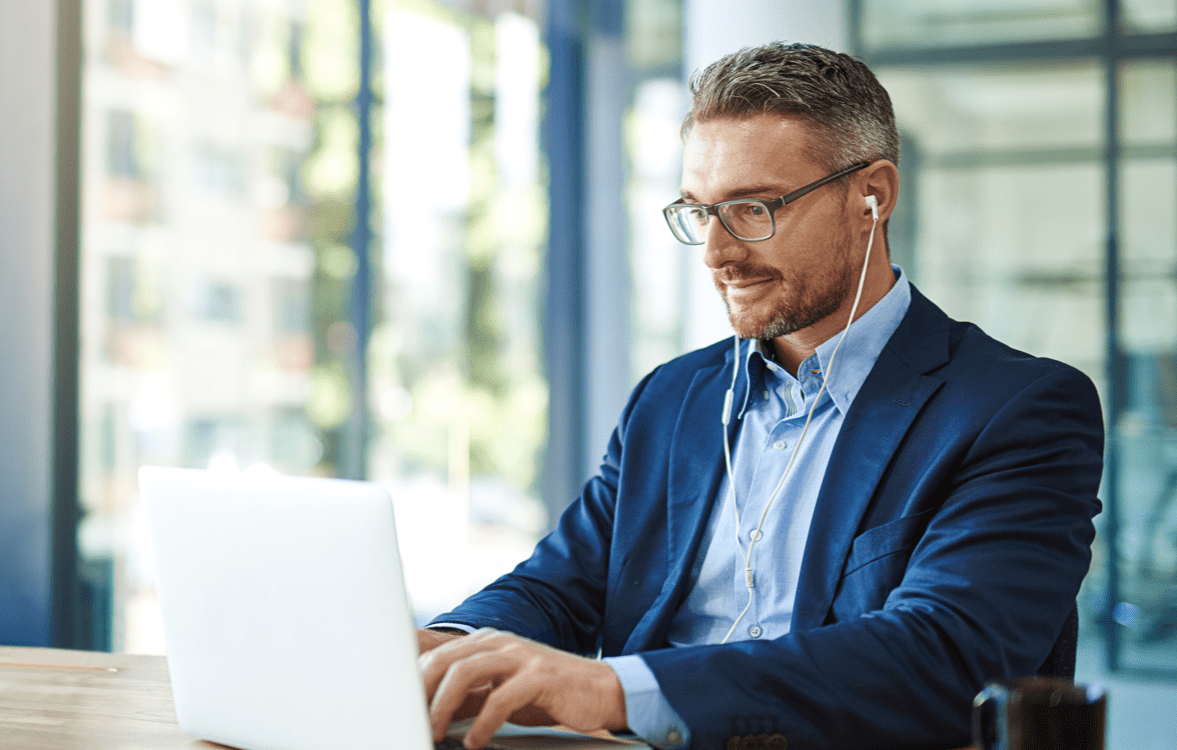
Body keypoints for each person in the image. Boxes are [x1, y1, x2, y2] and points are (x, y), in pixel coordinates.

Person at [415, 42, 1103, 750]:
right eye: (698, 211)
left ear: (874, 195)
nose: (716, 253)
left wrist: (612, 690)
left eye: (751, 208)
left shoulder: (1019, 409)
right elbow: (560, 585)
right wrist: (440, 649)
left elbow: (941, 658)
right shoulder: (672, 398)